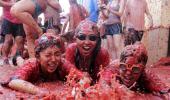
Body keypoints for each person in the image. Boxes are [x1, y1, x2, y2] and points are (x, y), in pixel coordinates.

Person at [1, 33, 86, 95]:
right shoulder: (33, 64)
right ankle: (18, 57)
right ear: (38, 56)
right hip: (29, 62)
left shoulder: (62, 63)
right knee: (23, 63)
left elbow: (84, 78)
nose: (53, 59)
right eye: (48, 55)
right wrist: (41, 91)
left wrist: (77, 89)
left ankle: (19, 57)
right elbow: (14, 82)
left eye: (57, 54)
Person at [65, 19, 110, 84]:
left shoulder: (102, 53)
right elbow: (69, 73)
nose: (87, 42)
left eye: (92, 38)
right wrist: (81, 75)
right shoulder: (71, 49)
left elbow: (105, 78)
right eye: (82, 37)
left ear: (97, 40)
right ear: (75, 39)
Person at [0, 0, 25, 65]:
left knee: (20, 40)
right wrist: (14, 4)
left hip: (20, 20)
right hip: (7, 19)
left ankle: (18, 58)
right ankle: (5, 58)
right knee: (9, 40)